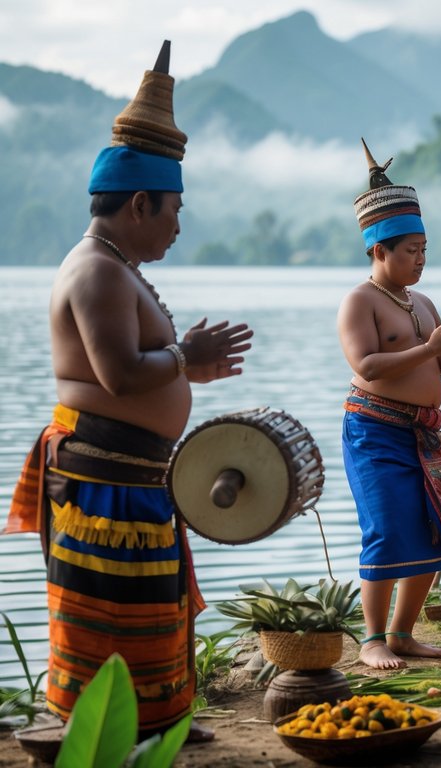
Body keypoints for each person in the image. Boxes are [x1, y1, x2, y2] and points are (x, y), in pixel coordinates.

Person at [5, 42, 251, 742]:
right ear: (140, 202)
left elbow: (137, 364)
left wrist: (187, 368)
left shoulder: (118, 266)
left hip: (136, 475)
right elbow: (116, 373)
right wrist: (184, 354)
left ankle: (156, 719)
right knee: (106, 606)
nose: (179, 224)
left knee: (149, 601)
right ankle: (95, 730)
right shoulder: (97, 271)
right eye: (174, 209)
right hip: (99, 477)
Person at [337, 141, 441, 669]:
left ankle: (404, 633)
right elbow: (366, 366)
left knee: (434, 527)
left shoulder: (423, 303)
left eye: (425, 249)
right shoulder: (359, 302)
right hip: (375, 432)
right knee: (387, 530)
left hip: (423, 432)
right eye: (411, 250)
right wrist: (431, 348)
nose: (421, 259)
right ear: (378, 250)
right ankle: (372, 639)